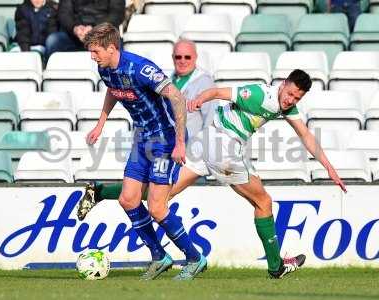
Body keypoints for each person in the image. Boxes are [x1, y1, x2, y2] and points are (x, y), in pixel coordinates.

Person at [77, 69, 348, 279]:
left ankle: (100, 191)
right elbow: (218, 91)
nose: (290, 100)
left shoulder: (287, 106)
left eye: (296, 98)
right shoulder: (257, 94)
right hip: (224, 150)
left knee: (159, 196)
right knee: (263, 202)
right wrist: (197, 100)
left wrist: (329, 167)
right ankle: (276, 267)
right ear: (283, 83)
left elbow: (306, 135)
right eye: (290, 93)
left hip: (204, 145)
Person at [80, 22, 206, 281]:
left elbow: (177, 97)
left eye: (96, 52)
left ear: (112, 48)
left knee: (158, 208)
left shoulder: (141, 68)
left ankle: (195, 259)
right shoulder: (105, 69)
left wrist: (180, 142)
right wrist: (100, 124)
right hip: (141, 139)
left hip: (165, 139)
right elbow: (113, 92)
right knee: (128, 199)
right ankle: (159, 257)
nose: (92, 57)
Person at [45, 0, 125, 60]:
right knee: (53, 41)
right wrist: (75, 28)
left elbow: (117, 14)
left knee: (116, 45)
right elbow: (64, 13)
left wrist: (95, 29)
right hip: (75, 35)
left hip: (103, 34)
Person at [171, 39, 216, 139]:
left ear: (195, 57)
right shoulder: (167, 80)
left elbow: (210, 119)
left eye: (187, 57)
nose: (182, 61)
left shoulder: (205, 82)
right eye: (178, 57)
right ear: (173, 58)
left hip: (192, 145)